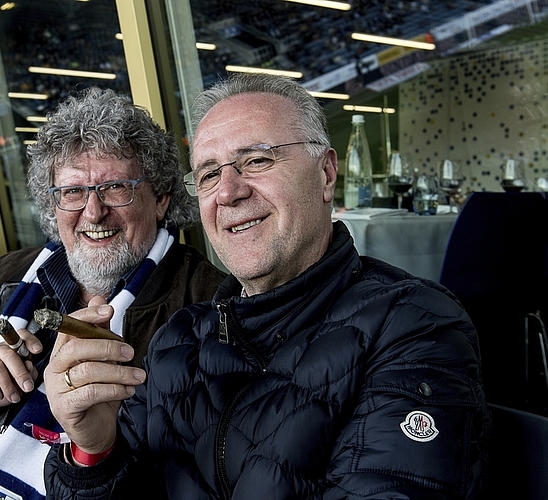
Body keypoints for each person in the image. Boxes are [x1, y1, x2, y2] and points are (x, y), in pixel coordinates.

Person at [42, 74, 490, 499]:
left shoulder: (414, 326)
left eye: (256, 160)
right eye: (209, 174)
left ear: (326, 174)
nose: (228, 192)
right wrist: (93, 450)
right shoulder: (179, 340)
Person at [0, 87, 226, 500]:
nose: (93, 211)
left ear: (160, 199)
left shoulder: (206, 303)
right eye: (72, 191)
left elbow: (198, 473)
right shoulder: (13, 272)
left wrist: (99, 445)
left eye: (116, 187)